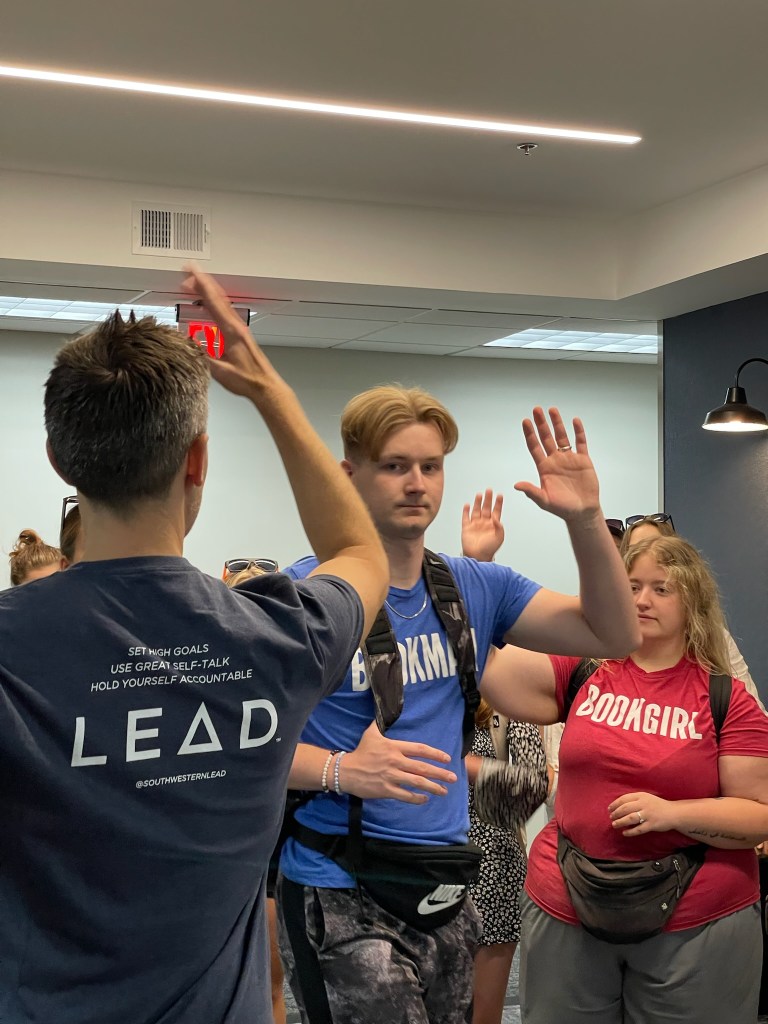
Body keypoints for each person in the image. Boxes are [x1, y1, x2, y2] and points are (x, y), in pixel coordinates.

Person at [0, 268, 388, 1024]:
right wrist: (270, 393)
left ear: (58, 460)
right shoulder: (282, 634)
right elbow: (358, 550)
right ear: (198, 460)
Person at [277, 391, 640, 1024]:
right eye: (395, 466)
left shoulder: (475, 587)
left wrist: (585, 519)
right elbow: (240, 743)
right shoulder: (307, 596)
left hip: (444, 885)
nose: (416, 483)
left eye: (431, 466)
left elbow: (614, 634)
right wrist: (340, 770)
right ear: (349, 475)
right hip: (338, 886)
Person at [480, 534, 768, 1024]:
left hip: (695, 923)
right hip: (567, 904)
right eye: (632, 586)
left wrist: (673, 814)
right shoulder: (584, 670)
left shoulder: (725, 698)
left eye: (661, 588)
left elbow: (759, 817)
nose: (641, 600)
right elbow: (490, 671)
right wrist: (479, 571)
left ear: (693, 602)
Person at [223, 558, 287, 1024]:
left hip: (274, 852)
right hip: (216, 852)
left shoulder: (293, 680)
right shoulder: (203, 682)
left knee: (270, 985)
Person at [622, 512, 763, 707]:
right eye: (636, 550)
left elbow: (752, 710)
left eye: (661, 589)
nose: (643, 601)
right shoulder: (601, 650)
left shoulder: (714, 641)